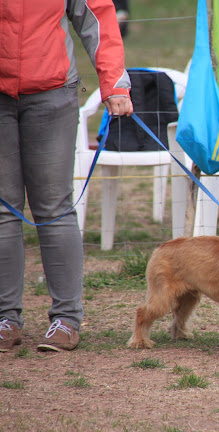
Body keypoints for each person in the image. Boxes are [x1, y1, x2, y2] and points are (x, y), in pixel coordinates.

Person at [0, 0, 133, 352]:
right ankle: (5, 319)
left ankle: (67, 319)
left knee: (54, 208)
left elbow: (99, 17)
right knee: (4, 211)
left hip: (52, 94)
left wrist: (115, 84)